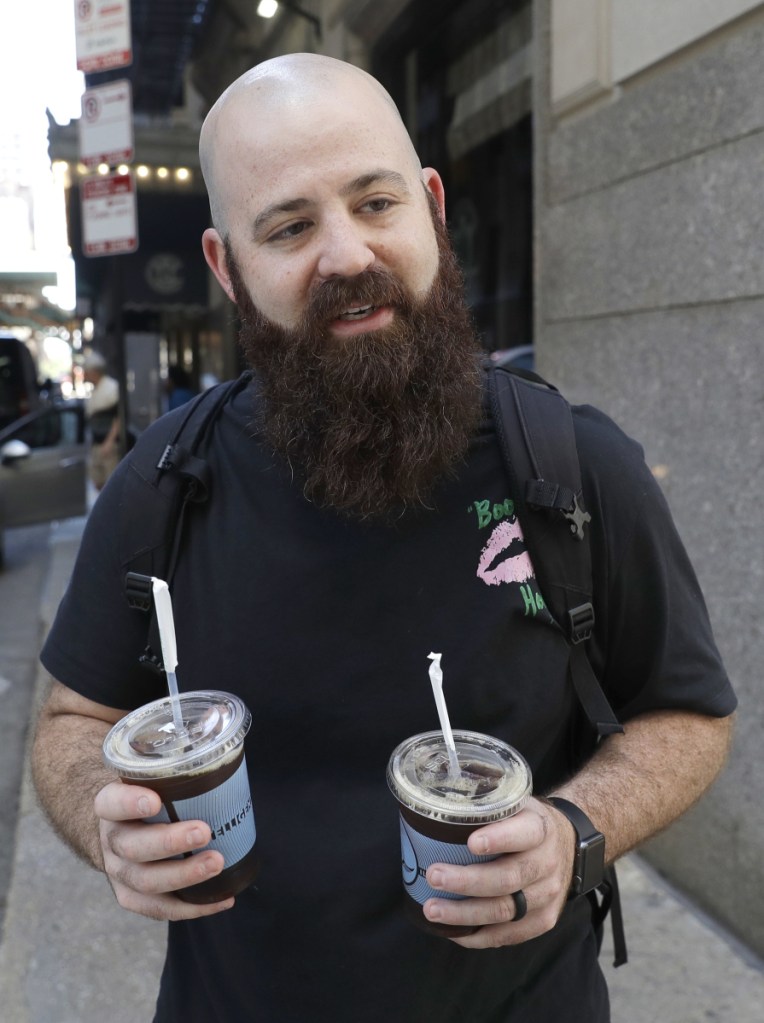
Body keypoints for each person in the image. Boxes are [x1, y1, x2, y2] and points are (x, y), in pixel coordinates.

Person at [32, 54, 736, 1023]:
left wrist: (578, 828)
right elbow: (71, 721)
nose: (347, 256)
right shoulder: (163, 490)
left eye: (374, 202)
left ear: (432, 209)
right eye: (288, 226)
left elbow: (689, 716)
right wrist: (104, 822)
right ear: (225, 268)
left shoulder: (571, 470)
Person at [81, 350, 120, 491]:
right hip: (96, 443)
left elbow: (119, 417)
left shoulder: (111, 388)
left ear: (94, 372)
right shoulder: (96, 390)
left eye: (86, 372)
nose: (85, 375)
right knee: (98, 482)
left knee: (111, 486)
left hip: (109, 444)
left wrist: (109, 441)